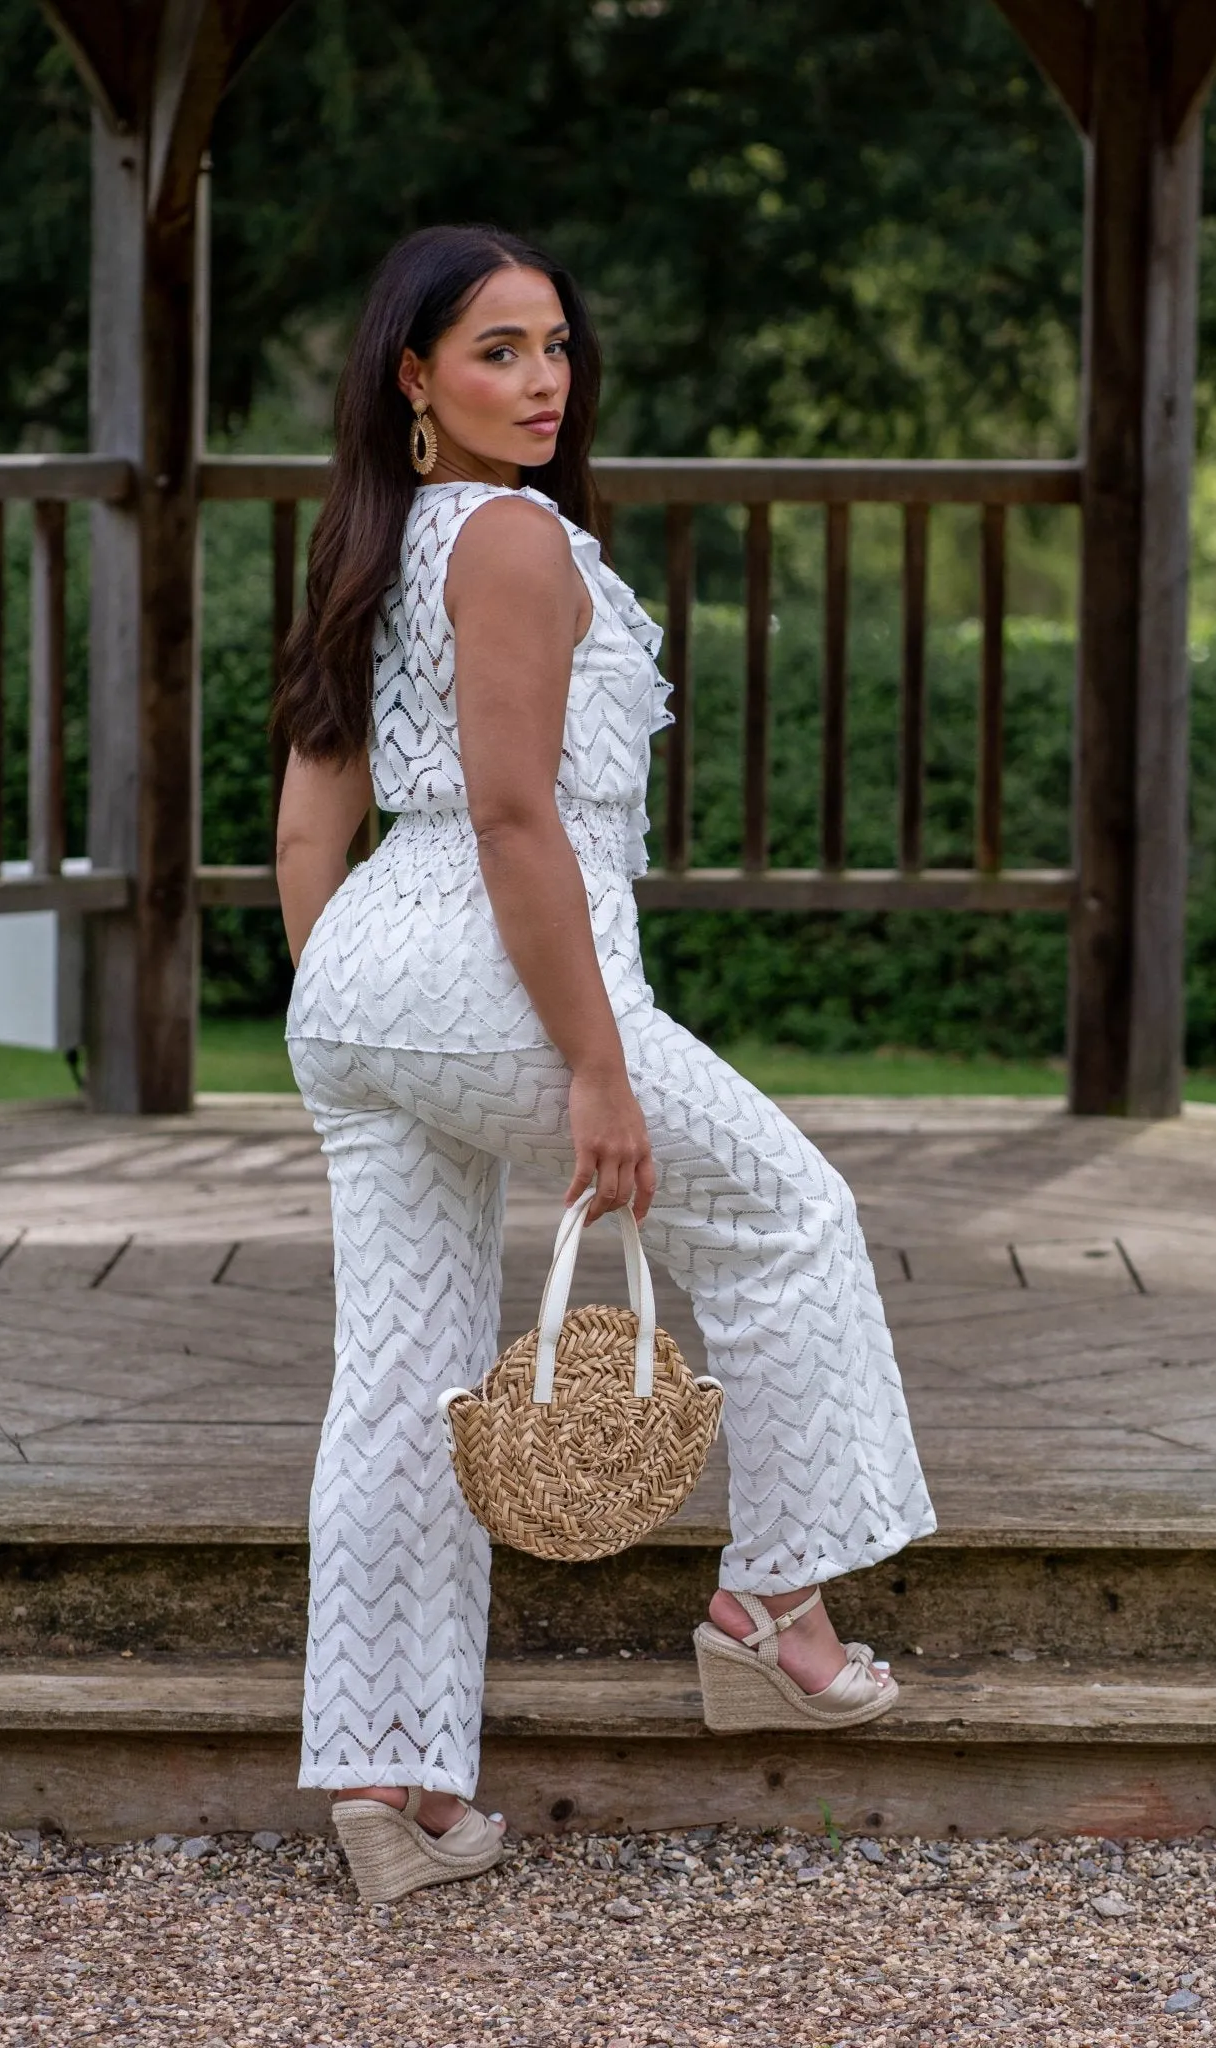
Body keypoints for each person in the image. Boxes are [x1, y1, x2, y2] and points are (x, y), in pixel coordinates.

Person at [273, 222, 936, 1907]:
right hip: (500, 963)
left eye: (554, 345)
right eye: (497, 350)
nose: (542, 379)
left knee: (403, 1378)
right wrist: (591, 1068)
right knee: (790, 1216)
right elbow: (511, 819)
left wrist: (354, 1011)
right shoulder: (505, 541)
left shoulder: (370, 534)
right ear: (412, 376)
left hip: (362, 979)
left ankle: (388, 1786)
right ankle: (773, 1601)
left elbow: (309, 812)